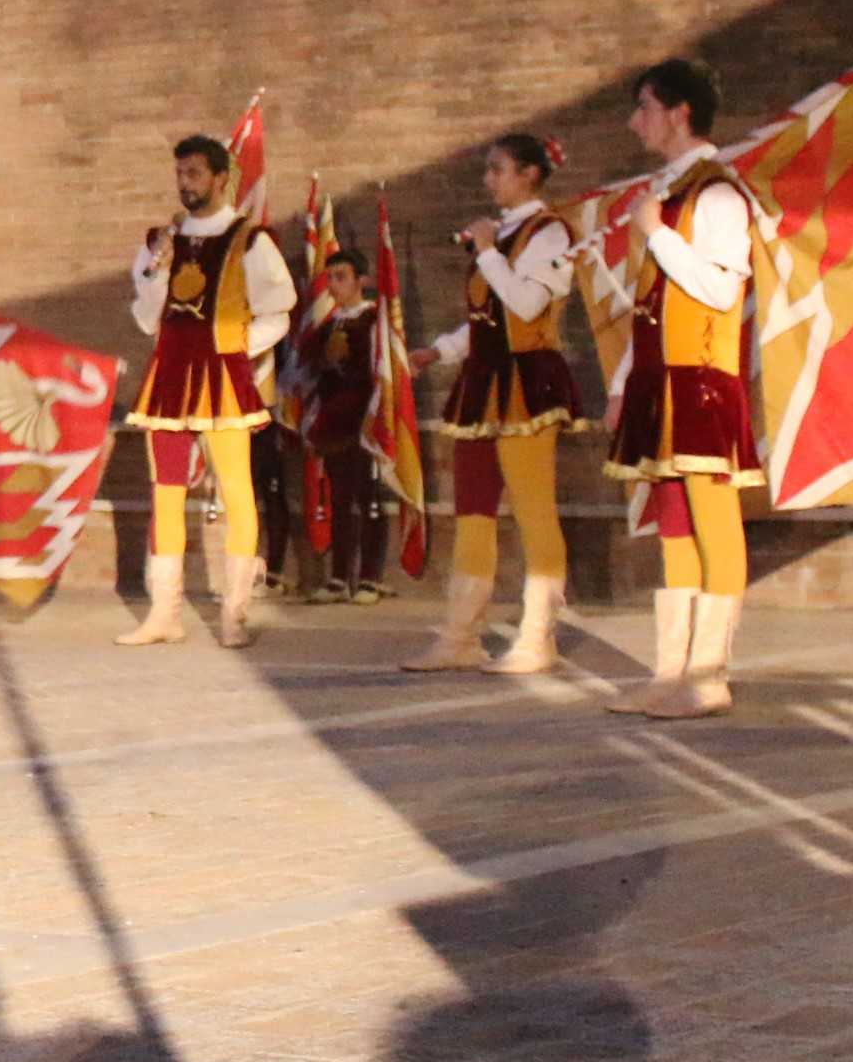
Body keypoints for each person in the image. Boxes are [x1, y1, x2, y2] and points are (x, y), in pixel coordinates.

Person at [606, 59, 761, 719]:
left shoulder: (717, 193)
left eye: (644, 106)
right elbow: (653, 302)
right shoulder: (667, 192)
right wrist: (623, 380)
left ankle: (708, 674)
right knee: (673, 522)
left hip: (701, 378)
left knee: (713, 520)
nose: (635, 120)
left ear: (679, 112)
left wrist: (658, 236)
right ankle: (671, 669)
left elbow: (723, 288)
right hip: (661, 379)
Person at [405, 134, 581, 675]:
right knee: (473, 511)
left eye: (498, 169)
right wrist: (440, 350)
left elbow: (527, 302)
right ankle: (461, 635)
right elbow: (486, 319)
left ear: (530, 174)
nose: (489, 180)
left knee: (532, 508)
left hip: (527, 382)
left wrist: (485, 251)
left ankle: (538, 636)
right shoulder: (500, 236)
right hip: (483, 381)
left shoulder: (551, 232)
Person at [115, 133, 296, 649]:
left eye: (194, 173)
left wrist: (237, 351)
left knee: (238, 490)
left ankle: (234, 613)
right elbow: (149, 320)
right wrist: (160, 268)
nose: (185, 184)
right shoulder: (157, 242)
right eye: (179, 174)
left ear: (220, 179)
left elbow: (279, 311)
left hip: (221, 382)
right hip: (169, 379)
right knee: (166, 493)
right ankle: (163, 612)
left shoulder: (250, 241)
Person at [288, 250, 382, 604]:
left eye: (342, 276)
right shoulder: (326, 326)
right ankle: (340, 577)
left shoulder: (374, 321)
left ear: (363, 281)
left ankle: (370, 577)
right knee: (340, 499)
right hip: (334, 421)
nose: (334, 284)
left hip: (366, 417)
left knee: (368, 497)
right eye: (330, 277)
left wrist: (374, 417)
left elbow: (383, 370)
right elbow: (307, 369)